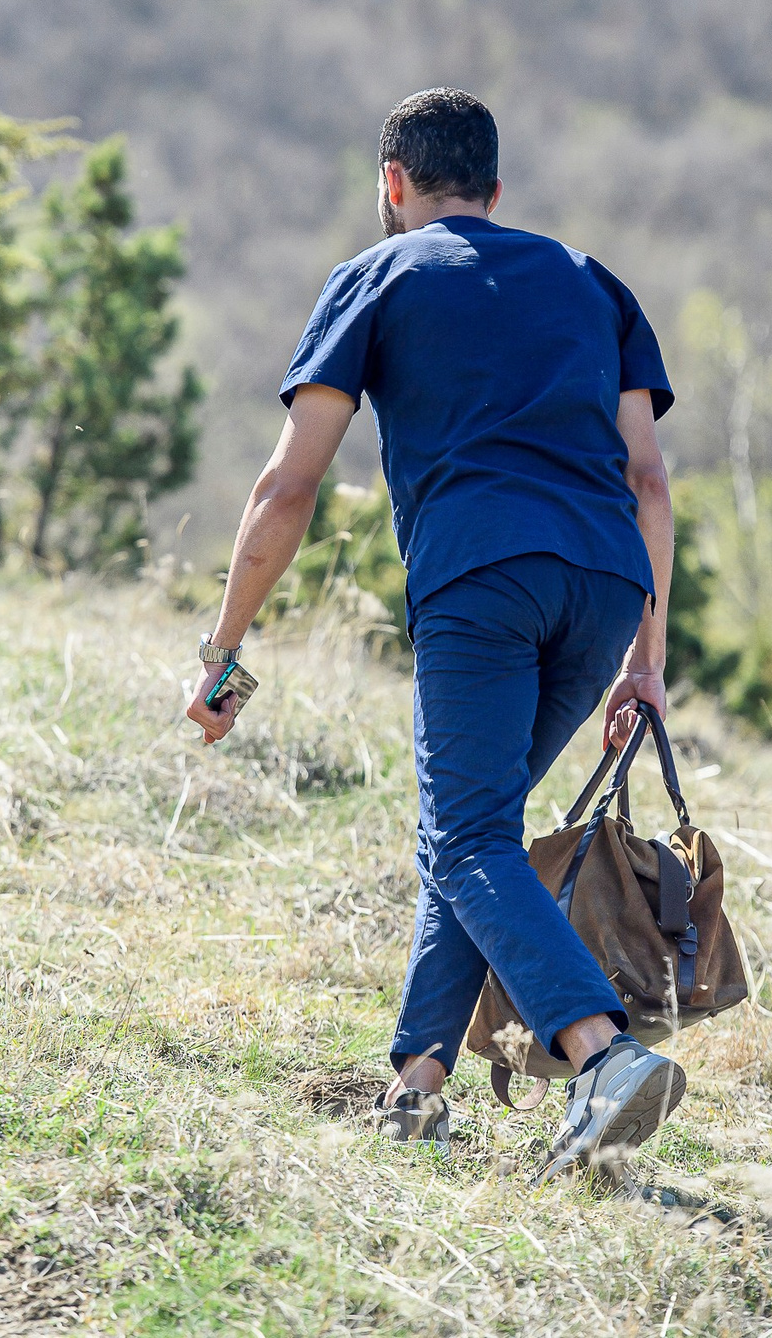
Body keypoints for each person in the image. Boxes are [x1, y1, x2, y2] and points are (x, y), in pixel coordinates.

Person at [184, 87, 682, 1179]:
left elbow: (287, 487)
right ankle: (414, 1090)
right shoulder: (594, 283)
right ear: (497, 193)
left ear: (392, 186)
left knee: (463, 837)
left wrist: (223, 647)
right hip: (603, 588)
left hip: (481, 578)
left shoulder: (377, 275)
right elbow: (647, 477)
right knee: (473, 831)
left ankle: (600, 1056)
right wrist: (646, 661)